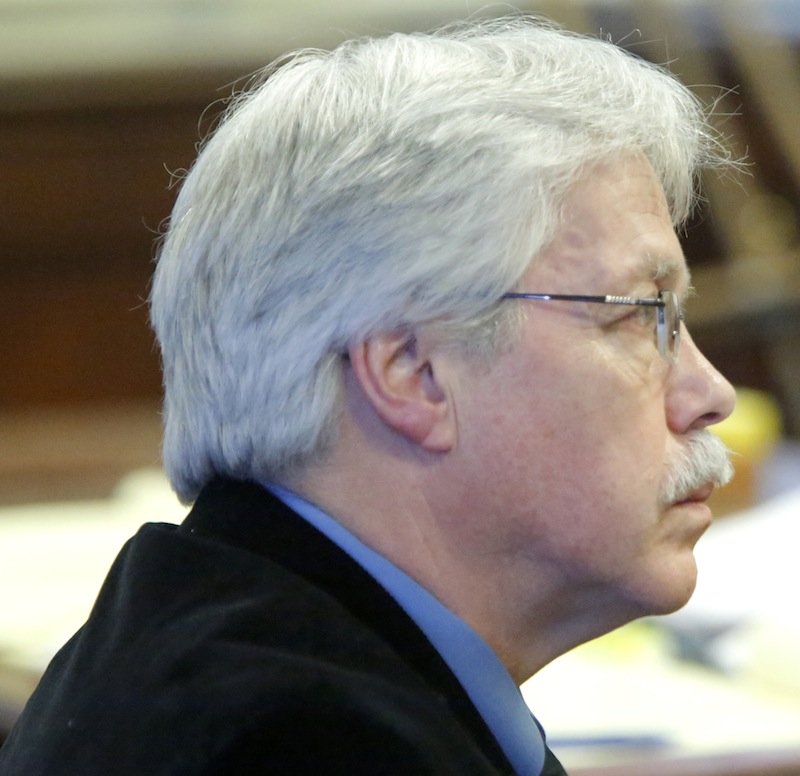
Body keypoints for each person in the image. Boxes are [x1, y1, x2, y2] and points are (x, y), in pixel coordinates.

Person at [0, 15, 737, 776]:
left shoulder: (230, 637)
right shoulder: (296, 742)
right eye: (638, 316)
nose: (709, 394)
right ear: (412, 373)